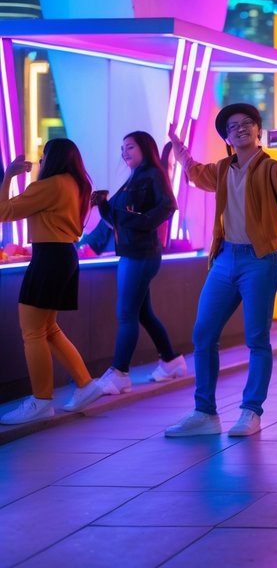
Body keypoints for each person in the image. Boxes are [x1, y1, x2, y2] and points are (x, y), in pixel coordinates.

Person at [164, 105, 277, 438]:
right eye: (233, 126)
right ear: (226, 137)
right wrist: (176, 144)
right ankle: (205, 413)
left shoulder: (270, 166)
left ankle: (251, 411)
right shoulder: (223, 168)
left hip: (260, 260)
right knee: (203, 334)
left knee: (256, 337)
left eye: (247, 124)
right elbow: (195, 171)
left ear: (258, 131)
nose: (240, 129)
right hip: (224, 258)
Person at [0, 140, 104, 424]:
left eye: (44, 156)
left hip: (48, 258)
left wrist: (8, 176)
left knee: (33, 332)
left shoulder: (50, 185)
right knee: (49, 329)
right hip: (65, 256)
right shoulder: (77, 184)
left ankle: (41, 400)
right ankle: (85, 383)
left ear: (54, 158)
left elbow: (4, 212)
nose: (41, 162)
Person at [92, 132, 185, 397]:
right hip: (134, 252)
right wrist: (102, 205)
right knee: (142, 312)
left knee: (126, 313)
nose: (124, 152)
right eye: (122, 148)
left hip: (141, 254)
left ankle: (120, 373)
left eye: (130, 147)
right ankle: (171, 360)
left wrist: (144, 222)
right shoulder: (134, 177)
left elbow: (168, 205)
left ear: (145, 147)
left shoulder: (153, 174)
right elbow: (119, 219)